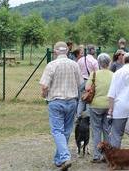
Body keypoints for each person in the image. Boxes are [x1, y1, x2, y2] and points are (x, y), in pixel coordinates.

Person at [40, 41, 82, 170]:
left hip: (56, 101)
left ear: (55, 51)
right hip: (72, 101)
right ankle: (59, 159)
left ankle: (64, 157)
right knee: (66, 130)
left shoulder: (51, 65)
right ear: (68, 51)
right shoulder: (74, 65)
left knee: (57, 130)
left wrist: (44, 94)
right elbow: (80, 83)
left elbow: (44, 85)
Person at [85, 53, 113, 163]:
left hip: (96, 105)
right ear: (109, 62)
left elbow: (87, 88)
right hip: (109, 105)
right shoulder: (113, 74)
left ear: (98, 63)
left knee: (96, 130)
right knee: (107, 130)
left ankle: (96, 155)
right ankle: (107, 155)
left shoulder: (94, 74)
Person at [76, 44, 99, 118]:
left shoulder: (80, 60)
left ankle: (78, 115)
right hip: (90, 82)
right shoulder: (94, 61)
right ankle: (88, 117)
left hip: (81, 81)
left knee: (81, 99)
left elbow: (77, 71)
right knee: (89, 99)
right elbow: (97, 73)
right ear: (92, 51)